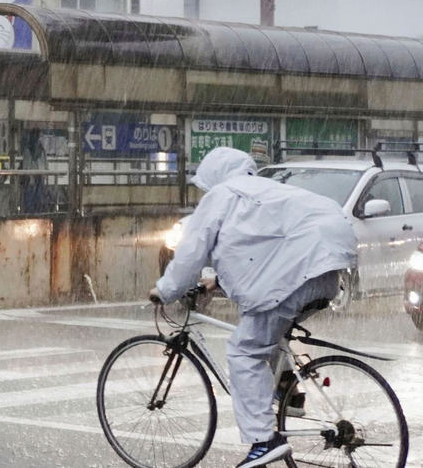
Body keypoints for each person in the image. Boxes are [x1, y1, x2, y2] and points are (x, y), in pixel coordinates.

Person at [149, 147, 358, 468]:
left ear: (215, 176)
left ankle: (264, 441)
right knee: (267, 334)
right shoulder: (269, 190)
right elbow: (261, 243)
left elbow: (191, 253)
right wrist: (216, 281)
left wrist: (165, 291)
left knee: (244, 352)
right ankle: (288, 388)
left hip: (293, 275)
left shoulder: (221, 195)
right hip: (327, 272)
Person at [20, 129, 47, 214]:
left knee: (36, 197)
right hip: (32, 176)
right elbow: (27, 164)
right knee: (33, 197)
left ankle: (34, 213)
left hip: (37, 176)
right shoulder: (30, 149)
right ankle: (33, 213)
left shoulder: (38, 148)